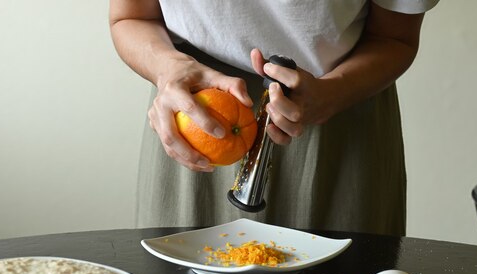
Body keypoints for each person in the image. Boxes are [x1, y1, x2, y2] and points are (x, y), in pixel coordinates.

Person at [109, 0, 439, 236]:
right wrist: (170, 70)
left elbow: (394, 37)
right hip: (192, 114)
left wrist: (335, 92)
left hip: (339, 113)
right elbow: (130, 17)